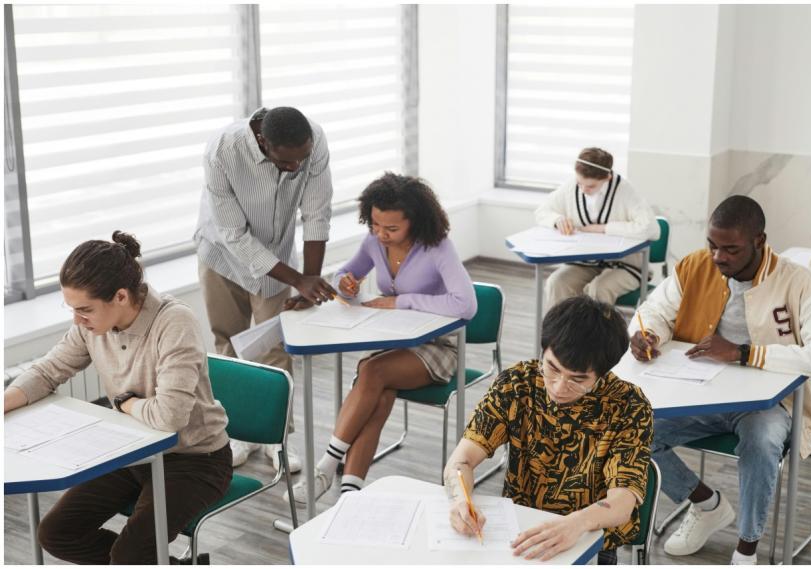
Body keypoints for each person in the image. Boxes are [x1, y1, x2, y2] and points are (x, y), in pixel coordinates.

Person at [628, 195, 811, 565]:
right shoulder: (694, 267)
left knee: (760, 441)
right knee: (633, 429)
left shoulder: (799, 283)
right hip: (699, 393)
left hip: (769, 404)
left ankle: (747, 549)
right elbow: (651, 312)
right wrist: (648, 334)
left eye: (730, 249)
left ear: (759, 241)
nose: (718, 257)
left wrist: (745, 353)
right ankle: (706, 503)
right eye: (712, 245)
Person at [3, 232, 232, 564]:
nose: (77, 320)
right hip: (130, 450)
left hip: (194, 459)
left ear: (121, 296)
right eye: (72, 309)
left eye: (84, 310)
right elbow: (49, 370)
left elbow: (170, 417)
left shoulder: (174, 322)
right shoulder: (90, 326)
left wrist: (126, 403)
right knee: (56, 534)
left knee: (131, 553)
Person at [285, 172, 477, 504]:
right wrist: (346, 282)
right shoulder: (373, 243)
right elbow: (345, 273)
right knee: (380, 393)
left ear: (415, 222)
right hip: (396, 342)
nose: (381, 234)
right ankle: (350, 493)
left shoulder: (438, 248)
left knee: (371, 372)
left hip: (438, 346)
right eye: (375, 224)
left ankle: (324, 468)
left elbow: (466, 305)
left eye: (391, 228)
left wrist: (401, 301)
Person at [445, 296, 653, 564]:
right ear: (543, 350)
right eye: (552, 368)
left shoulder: (628, 405)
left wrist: (576, 524)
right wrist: (461, 499)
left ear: (602, 374)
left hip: (589, 539)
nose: (558, 387)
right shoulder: (517, 384)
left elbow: (623, 500)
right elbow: (462, 460)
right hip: (519, 532)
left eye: (578, 380)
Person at [194, 106, 337, 472]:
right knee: (228, 343)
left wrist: (310, 280)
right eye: (287, 162)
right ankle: (238, 431)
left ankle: (277, 437)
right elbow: (233, 235)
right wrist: (298, 280)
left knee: (274, 347)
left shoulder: (313, 142)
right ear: (263, 142)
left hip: (276, 258)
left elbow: (317, 214)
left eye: (301, 160)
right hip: (221, 254)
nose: (296, 169)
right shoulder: (222, 151)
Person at [534, 147, 659, 309]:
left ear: (608, 177)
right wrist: (557, 219)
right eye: (580, 183)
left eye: (591, 186)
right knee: (556, 283)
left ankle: (594, 335)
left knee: (598, 290)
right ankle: (559, 334)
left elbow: (652, 229)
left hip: (626, 266)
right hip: (584, 263)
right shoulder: (572, 186)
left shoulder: (626, 191)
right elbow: (541, 211)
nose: (583, 190)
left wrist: (604, 228)